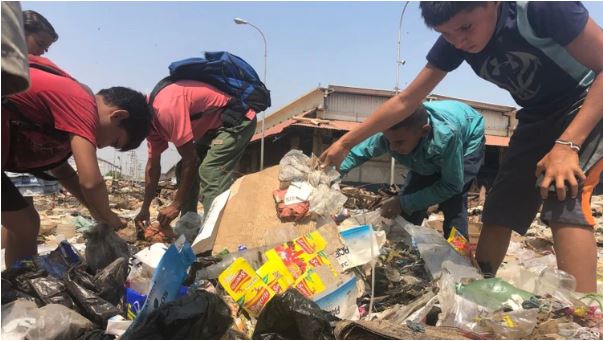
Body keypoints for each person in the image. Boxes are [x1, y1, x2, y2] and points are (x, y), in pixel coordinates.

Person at [320, 2, 602, 292]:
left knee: (563, 194)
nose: (459, 41)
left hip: (587, 101)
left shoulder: (542, 9)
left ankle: (582, 320)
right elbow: (406, 101)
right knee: (500, 206)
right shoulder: (455, 41)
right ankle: (478, 289)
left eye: (466, 28)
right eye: (447, 34)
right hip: (536, 115)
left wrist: (568, 144)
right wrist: (345, 142)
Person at [1, 54, 152, 267]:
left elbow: (62, 171)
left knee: (25, 224)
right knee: (26, 224)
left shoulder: (68, 114)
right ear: (117, 115)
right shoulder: (81, 103)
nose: (101, 147)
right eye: (114, 141)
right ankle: (20, 288)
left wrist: (97, 211)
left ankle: (16, 289)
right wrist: (109, 216)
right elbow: (91, 181)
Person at [340, 100, 484, 239]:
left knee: (454, 202)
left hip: (468, 138)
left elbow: (452, 185)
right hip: (428, 145)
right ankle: (401, 244)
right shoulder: (392, 132)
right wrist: (333, 173)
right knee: (408, 202)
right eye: (389, 141)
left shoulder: (446, 137)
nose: (392, 148)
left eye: (399, 142)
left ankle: (458, 254)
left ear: (424, 132)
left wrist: (403, 203)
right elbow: (358, 152)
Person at [134, 80, 257, 229]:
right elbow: (153, 168)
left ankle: (215, 235)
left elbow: (191, 159)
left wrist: (175, 204)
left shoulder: (165, 108)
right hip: (212, 128)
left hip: (237, 120)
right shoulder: (149, 124)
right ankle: (189, 225)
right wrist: (145, 208)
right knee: (181, 170)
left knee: (210, 170)